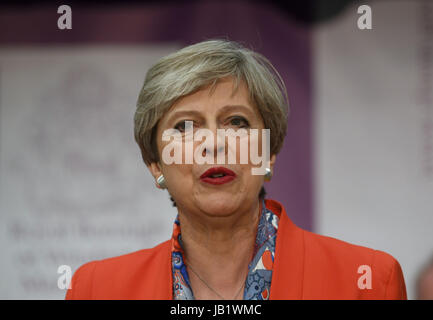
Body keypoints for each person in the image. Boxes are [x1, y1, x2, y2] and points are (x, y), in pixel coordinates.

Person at [65, 39, 406, 300]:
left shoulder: (369, 281)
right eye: (185, 126)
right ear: (155, 163)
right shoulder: (97, 288)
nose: (214, 144)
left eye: (237, 122)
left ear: (269, 153)